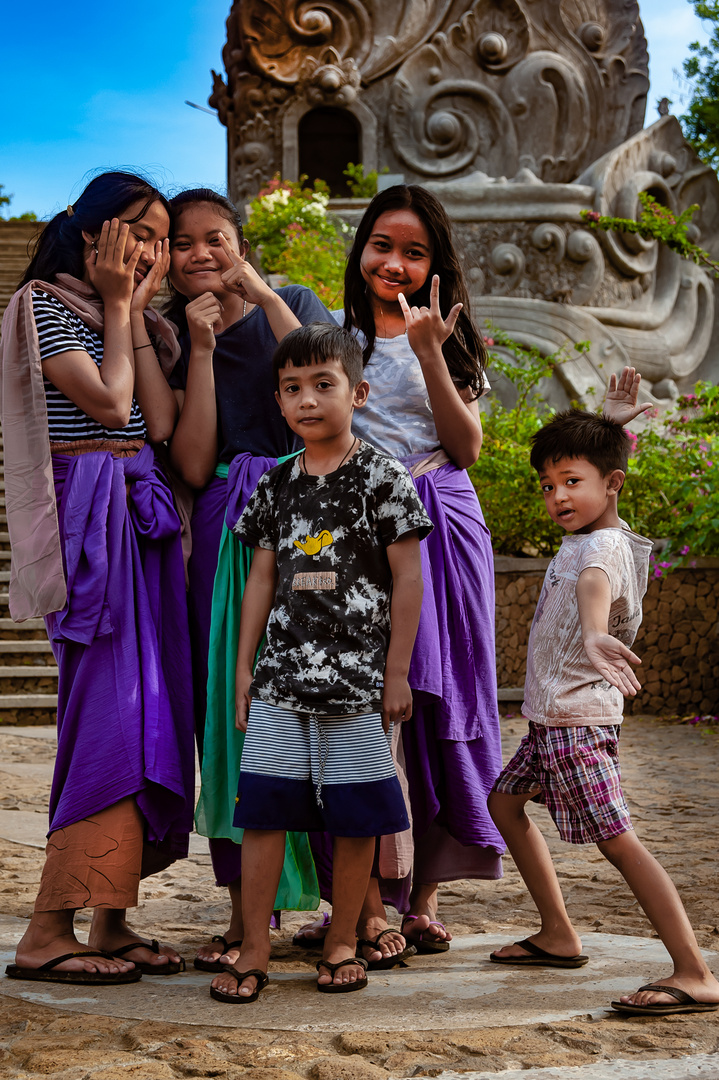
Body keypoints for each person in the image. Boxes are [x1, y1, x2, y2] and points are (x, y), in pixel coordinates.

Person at [295, 184, 506, 965]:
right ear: (360, 251)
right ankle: (352, 898)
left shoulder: (448, 339)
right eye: (381, 244)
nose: (394, 262)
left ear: (434, 263)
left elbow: (467, 447)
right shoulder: (336, 338)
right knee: (354, 707)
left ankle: (422, 896)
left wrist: (427, 354)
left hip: (441, 529)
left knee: (429, 699)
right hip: (353, 536)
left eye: (414, 251)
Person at [0, 171, 194, 984]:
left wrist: (136, 316)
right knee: (109, 713)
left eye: (159, 235)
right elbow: (113, 407)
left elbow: (164, 423)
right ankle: (48, 930)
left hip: (143, 513)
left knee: (158, 710)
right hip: (91, 519)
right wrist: (118, 306)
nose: (151, 248)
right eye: (135, 230)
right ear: (90, 233)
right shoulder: (44, 308)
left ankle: (111, 919)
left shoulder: (142, 322)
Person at [208, 322, 433, 1002]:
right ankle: (253, 947)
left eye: (322, 385)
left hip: (357, 687)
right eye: (292, 389)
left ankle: (343, 939)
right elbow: (260, 580)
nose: (307, 400)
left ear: (357, 392)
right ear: (278, 403)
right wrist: (245, 669)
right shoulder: (275, 484)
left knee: (355, 814)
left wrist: (396, 673)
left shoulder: (383, 478)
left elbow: (409, 581)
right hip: (279, 683)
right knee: (265, 813)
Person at [488, 408, 719, 1016]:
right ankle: (559, 934)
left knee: (619, 842)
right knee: (504, 804)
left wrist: (594, 633)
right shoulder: (585, 536)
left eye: (571, 481)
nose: (557, 495)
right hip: (550, 721)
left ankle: (694, 972)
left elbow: (596, 583)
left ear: (612, 483)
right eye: (548, 484)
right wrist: (605, 427)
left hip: (576, 725)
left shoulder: (604, 546)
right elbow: (592, 505)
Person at [165, 190, 333, 973]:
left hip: (310, 522)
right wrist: (197, 350)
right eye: (183, 243)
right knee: (230, 721)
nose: (201, 254)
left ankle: (351, 911)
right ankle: (243, 915)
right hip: (223, 535)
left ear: (240, 241)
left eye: (217, 239)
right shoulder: (169, 335)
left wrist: (259, 291)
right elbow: (195, 465)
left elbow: (329, 379)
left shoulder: (289, 303)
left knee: (325, 705)